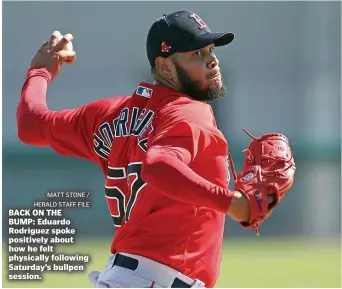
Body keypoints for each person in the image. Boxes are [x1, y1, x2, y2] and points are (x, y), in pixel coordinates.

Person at [17, 10, 293, 288]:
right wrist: (234, 203)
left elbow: (31, 124)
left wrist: (40, 72)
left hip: (125, 276)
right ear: (163, 67)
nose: (212, 60)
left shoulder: (108, 115)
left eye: (209, 49)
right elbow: (158, 165)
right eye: (196, 54)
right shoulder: (190, 112)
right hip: (158, 280)